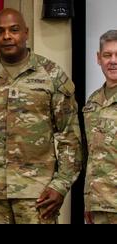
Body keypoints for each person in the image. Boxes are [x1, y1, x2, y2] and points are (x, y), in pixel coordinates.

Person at [0, 8, 82, 224]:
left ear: (25, 32)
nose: (7, 36)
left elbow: (69, 136)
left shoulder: (51, 75)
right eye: (0, 31)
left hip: (37, 194)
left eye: (14, 30)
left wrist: (60, 185)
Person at [83, 30, 117, 224]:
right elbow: (92, 154)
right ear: (98, 58)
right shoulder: (93, 102)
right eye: (107, 55)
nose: (113, 60)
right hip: (98, 205)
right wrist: (89, 201)